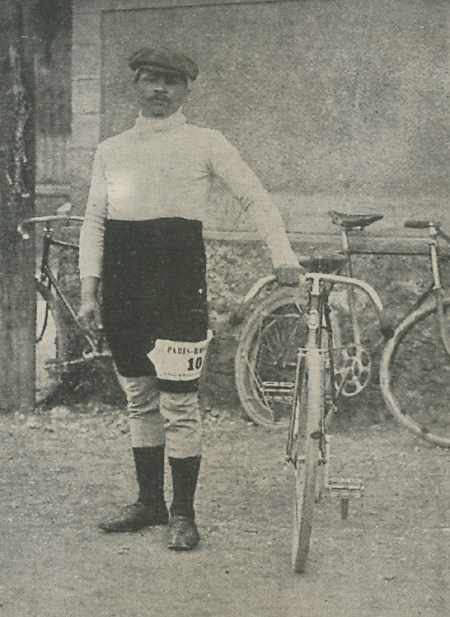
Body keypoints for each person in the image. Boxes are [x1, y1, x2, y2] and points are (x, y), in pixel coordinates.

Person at [78, 45, 302, 551]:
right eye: (150, 79)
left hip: (178, 287)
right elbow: (94, 219)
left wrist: (282, 254)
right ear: (135, 84)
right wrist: (89, 290)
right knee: (138, 398)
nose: (159, 89)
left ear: (185, 90)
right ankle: (148, 502)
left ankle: (182, 512)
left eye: (170, 81)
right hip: (124, 285)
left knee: (179, 402)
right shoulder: (111, 148)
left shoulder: (206, 142)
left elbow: (254, 196)